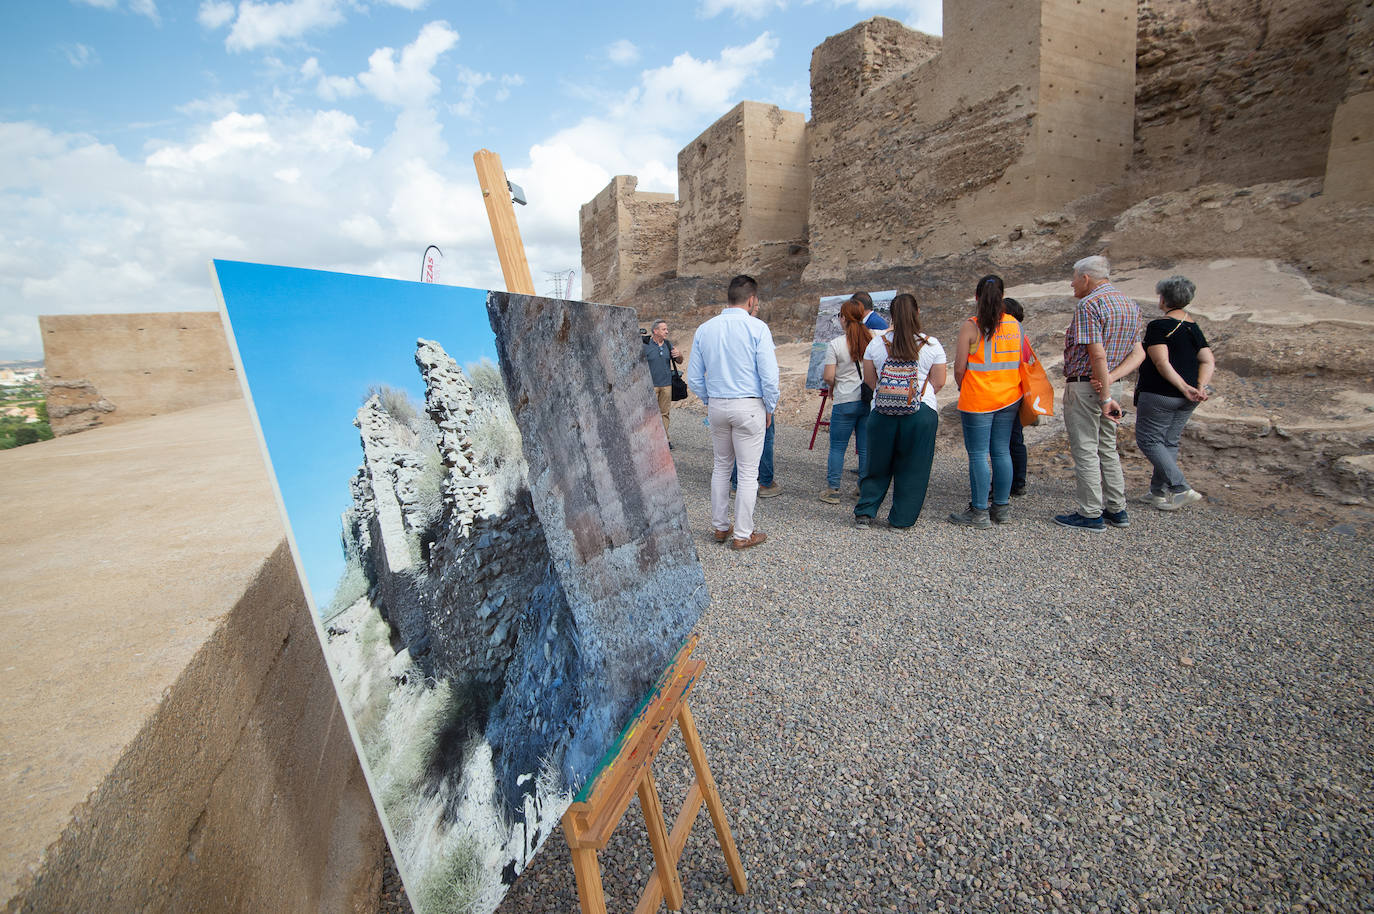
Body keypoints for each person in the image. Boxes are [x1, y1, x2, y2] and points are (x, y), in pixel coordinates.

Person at [687, 274, 779, 550]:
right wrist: (770, 407)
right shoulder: (758, 328)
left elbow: (693, 377)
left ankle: (719, 527)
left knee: (721, 466)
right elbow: (770, 377)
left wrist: (709, 399)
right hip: (749, 404)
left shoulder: (705, 329)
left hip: (717, 403)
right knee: (748, 472)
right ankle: (742, 533)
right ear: (752, 300)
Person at [1055, 255, 1145, 532]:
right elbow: (1138, 353)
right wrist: (1110, 383)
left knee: (1085, 447)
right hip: (1112, 385)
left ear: (1085, 278)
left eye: (1073, 278)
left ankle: (1090, 512)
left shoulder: (1089, 304)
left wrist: (1104, 393)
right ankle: (1117, 509)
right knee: (1108, 447)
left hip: (1087, 386)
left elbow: (1097, 354)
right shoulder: (1131, 305)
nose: (1071, 284)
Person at [855, 293, 946, 528]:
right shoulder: (932, 344)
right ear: (917, 313)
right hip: (921, 413)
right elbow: (939, 382)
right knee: (914, 468)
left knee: (877, 464)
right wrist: (915, 395)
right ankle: (901, 519)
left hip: (882, 412)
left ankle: (865, 512)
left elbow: (869, 380)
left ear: (891, 315)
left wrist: (888, 394)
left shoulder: (877, 343)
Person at [1130, 274, 1214, 510]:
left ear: (1163, 298)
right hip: (1188, 397)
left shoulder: (1160, 326)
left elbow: (1161, 363)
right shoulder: (1192, 327)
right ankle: (1157, 492)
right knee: (1168, 441)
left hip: (1160, 393)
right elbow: (1207, 360)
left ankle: (1180, 488)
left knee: (1149, 440)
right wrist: (1199, 386)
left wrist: (1181, 386)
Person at [948, 275, 1023, 528]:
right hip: (1009, 397)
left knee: (978, 454)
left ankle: (979, 511)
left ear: (977, 297)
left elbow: (959, 368)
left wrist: (962, 385)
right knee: (1001, 451)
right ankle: (1001, 508)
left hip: (978, 399)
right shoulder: (1014, 324)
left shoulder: (971, 326)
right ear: (1002, 296)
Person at [819, 299, 872, 503]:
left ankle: (833, 489)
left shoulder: (836, 344)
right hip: (866, 399)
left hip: (844, 399)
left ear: (843, 318)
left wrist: (833, 385)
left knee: (838, 446)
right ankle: (863, 487)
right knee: (866, 447)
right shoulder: (872, 339)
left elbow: (829, 376)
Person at [1002, 297, 1029, 496]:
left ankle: (1012, 482)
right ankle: (1018, 482)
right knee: (1015, 439)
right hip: (1017, 391)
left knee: (1007, 442)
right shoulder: (1021, 334)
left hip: (1008, 392)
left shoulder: (1011, 334)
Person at [642, 319, 682, 444]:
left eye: (666, 329)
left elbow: (680, 361)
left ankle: (663, 441)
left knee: (664, 413)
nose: (667, 331)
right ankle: (650, 440)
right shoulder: (644, 345)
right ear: (655, 331)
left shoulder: (668, 345)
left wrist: (679, 355)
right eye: (664, 329)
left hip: (666, 385)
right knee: (650, 414)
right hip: (650, 386)